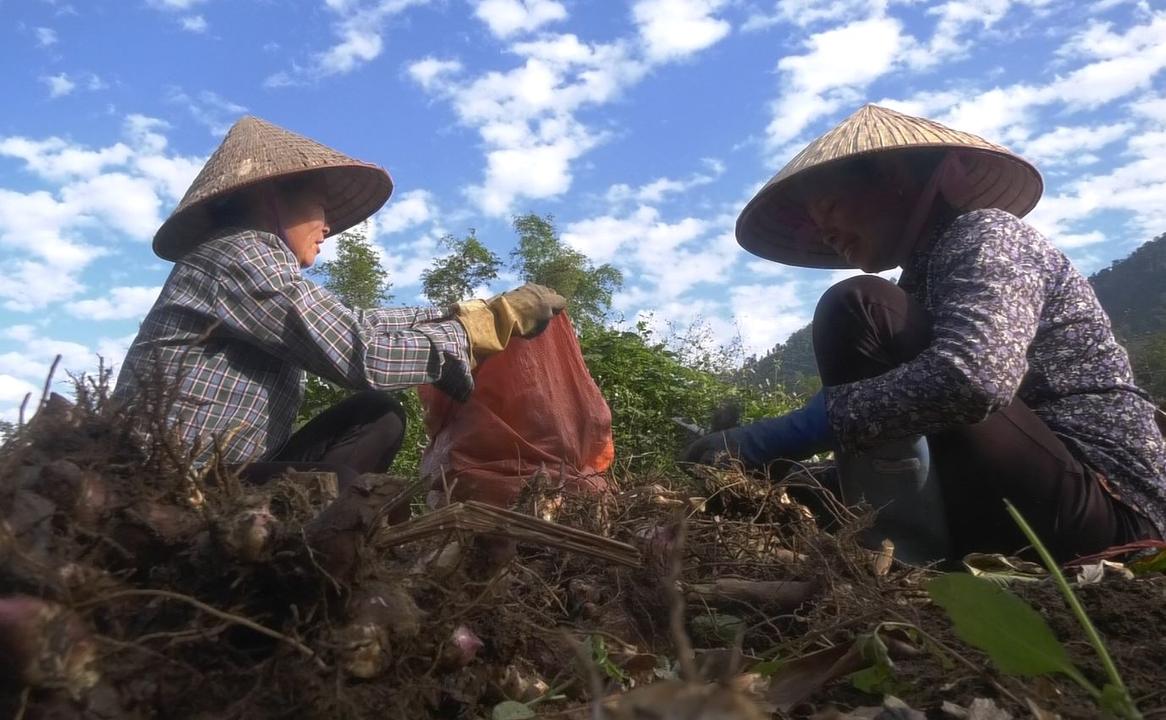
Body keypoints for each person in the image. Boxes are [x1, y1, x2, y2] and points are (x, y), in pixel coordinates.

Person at [684, 104, 1166, 565]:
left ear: (895, 181)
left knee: (856, 304)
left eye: (830, 207)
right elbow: (910, 445)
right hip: (1007, 501)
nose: (824, 231)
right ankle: (898, 546)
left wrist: (794, 430)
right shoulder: (919, 285)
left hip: (1107, 510)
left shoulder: (989, 234)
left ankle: (905, 568)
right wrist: (775, 467)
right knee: (799, 493)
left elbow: (975, 379)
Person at [114, 115, 565, 489]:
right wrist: (480, 329)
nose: (328, 225)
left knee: (376, 415)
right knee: (351, 478)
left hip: (224, 475)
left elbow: (358, 323)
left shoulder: (248, 257)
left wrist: (467, 313)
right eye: (320, 206)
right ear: (271, 197)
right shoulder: (239, 252)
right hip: (175, 480)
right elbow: (361, 351)